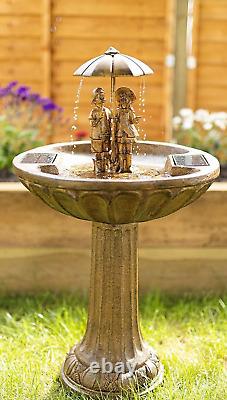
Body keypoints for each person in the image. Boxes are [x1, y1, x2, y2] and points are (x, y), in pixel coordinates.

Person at [115, 87, 140, 173]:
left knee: (128, 151)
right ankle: (122, 167)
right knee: (121, 151)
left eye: (126, 100)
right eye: (122, 100)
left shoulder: (130, 111)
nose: (124, 102)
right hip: (120, 132)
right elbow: (115, 120)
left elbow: (132, 120)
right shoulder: (118, 111)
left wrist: (135, 120)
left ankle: (128, 167)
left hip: (129, 132)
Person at [89, 87, 111, 173]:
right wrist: (98, 119)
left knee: (106, 151)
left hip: (106, 135)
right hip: (97, 136)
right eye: (99, 97)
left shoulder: (107, 111)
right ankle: (98, 169)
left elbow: (111, 123)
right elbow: (92, 124)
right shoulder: (94, 112)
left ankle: (107, 167)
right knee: (98, 152)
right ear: (94, 100)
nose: (102, 98)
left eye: (102, 96)